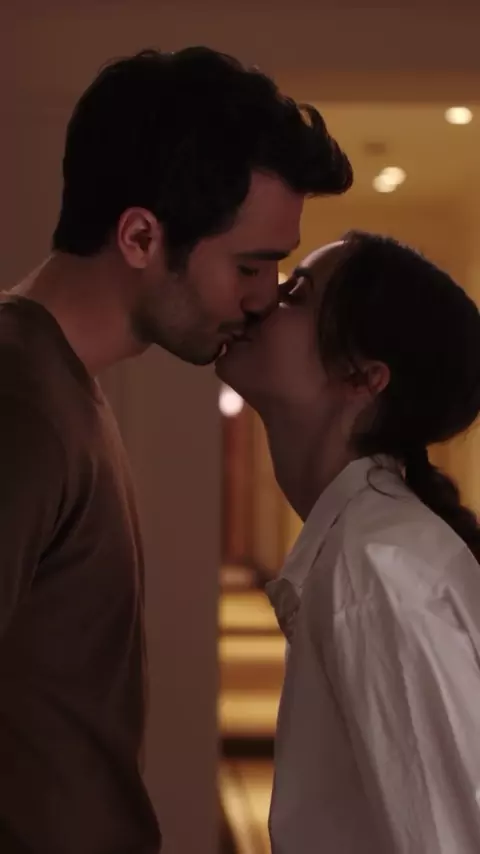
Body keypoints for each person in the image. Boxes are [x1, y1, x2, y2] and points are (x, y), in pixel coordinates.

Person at [0, 48, 352, 853]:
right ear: (139, 236)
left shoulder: (57, 383)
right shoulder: (19, 401)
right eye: (250, 266)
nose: (264, 300)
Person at [216, 231, 480, 854]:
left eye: (297, 295)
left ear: (362, 377)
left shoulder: (377, 569)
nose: (263, 299)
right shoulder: (367, 549)